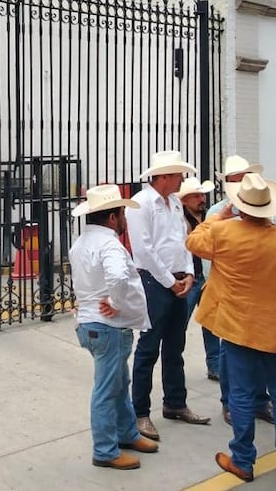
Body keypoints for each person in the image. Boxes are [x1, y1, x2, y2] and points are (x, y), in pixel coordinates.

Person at [187, 173, 276, 485]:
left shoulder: (223, 231)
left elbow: (193, 241)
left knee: (242, 395)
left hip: (237, 327)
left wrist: (217, 217)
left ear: (240, 206)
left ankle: (243, 460)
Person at [69, 185, 157, 470]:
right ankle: (106, 450)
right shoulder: (109, 244)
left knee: (119, 383)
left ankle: (127, 433)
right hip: (108, 326)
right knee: (108, 389)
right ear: (112, 219)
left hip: (93, 323)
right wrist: (117, 302)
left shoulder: (81, 242)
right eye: (121, 214)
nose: (124, 220)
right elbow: (118, 277)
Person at [128, 151, 210, 442]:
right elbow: (144, 249)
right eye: (178, 175)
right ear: (164, 176)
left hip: (176, 279)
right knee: (149, 348)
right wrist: (169, 281)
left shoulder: (174, 202)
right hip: (154, 281)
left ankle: (175, 402)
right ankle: (140, 412)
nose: (181, 180)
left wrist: (187, 273)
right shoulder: (141, 203)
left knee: (175, 346)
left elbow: (183, 241)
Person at [208, 155, 272, 426]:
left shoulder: (264, 208)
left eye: (241, 180)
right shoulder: (217, 214)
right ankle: (229, 402)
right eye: (233, 181)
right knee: (228, 351)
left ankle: (259, 399)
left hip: (259, 291)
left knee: (258, 348)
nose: (238, 185)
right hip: (230, 291)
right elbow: (207, 253)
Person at [177, 178, 220, 382]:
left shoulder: (211, 215)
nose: (201, 199)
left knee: (211, 323)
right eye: (196, 196)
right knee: (180, 324)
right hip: (191, 277)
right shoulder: (180, 219)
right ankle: (176, 364)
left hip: (209, 277)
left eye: (202, 195)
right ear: (184, 200)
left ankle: (215, 366)